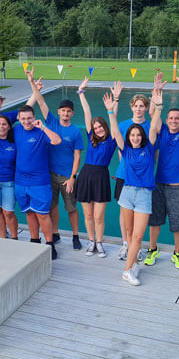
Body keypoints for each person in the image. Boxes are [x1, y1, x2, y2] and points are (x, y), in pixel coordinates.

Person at [106, 89, 162, 285]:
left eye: (139, 135)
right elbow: (115, 132)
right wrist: (111, 112)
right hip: (127, 194)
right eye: (133, 135)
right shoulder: (126, 150)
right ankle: (133, 263)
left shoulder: (149, 147)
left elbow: (154, 126)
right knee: (129, 234)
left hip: (144, 195)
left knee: (138, 236)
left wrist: (158, 106)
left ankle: (127, 270)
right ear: (129, 137)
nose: (136, 137)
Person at [26, 69, 84, 250]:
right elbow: (41, 102)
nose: (66, 113)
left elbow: (77, 156)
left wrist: (73, 177)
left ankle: (75, 235)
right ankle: (56, 233)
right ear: (58, 111)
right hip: (49, 175)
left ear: (72, 114)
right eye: (63, 110)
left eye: (69, 111)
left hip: (67, 176)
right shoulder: (50, 122)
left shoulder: (75, 131)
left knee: (71, 208)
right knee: (52, 207)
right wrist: (32, 82)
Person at [144, 68, 179, 269]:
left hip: (177, 187)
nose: (173, 120)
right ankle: (153, 249)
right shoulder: (161, 131)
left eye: (177, 119)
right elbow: (152, 114)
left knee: (178, 223)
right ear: (167, 121)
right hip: (158, 184)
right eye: (171, 118)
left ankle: (177, 253)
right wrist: (156, 89)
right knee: (154, 220)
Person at [75, 77, 117, 258]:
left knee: (99, 216)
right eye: (96, 127)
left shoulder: (112, 139)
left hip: (101, 177)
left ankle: (100, 243)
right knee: (88, 214)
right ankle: (90, 241)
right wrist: (81, 92)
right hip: (86, 175)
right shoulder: (91, 136)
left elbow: (113, 116)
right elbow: (86, 111)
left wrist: (115, 101)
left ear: (105, 127)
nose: (98, 129)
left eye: (100, 127)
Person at [13, 104, 61, 259]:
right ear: (19, 119)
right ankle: (34, 240)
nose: (26, 121)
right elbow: (1, 131)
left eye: (29, 118)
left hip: (39, 181)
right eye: (23, 119)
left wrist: (44, 127)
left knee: (43, 215)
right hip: (20, 181)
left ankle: (49, 244)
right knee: (29, 212)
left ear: (34, 118)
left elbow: (57, 141)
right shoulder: (16, 130)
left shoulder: (41, 132)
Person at [113, 84, 154, 261]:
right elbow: (117, 141)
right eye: (135, 105)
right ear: (131, 107)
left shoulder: (150, 126)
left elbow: (154, 152)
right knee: (125, 213)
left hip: (142, 179)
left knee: (140, 215)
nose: (138, 109)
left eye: (142, 105)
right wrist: (115, 100)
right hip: (124, 175)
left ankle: (135, 247)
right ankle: (125, 244)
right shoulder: (123, 124)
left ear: (146, 108)